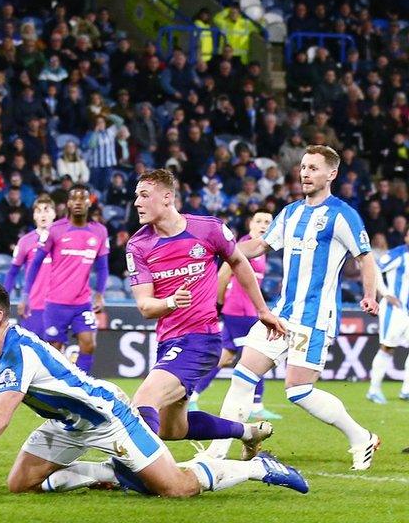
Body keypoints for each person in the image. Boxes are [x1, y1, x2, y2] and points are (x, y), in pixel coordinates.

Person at [0, 282, 308, 497]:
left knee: (176, 489)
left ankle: (258, 468)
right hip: (66, 424)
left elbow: (0, 414)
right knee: (19, 486)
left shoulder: (20, 351)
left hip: (108, 418)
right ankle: (110, 472)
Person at [207, 146, 381, 470]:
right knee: (243, 377)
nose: (305, 173)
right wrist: (222, 248)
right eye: (303, 167)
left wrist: (370, 294)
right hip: (281, 313)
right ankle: (216, 453)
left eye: (313, 168)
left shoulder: (342, 214)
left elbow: (365, 257)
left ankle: (361, 437)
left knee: (298, 390)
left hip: (314, 317)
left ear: (332, 174)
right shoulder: (290, 213)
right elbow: (259, 245)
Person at [125, 169, 282, 457]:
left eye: (144, 195)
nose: (137, 202)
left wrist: (263, 310)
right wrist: (171, 302)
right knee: (173, 429)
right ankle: (248, 432)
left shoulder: (208, 229)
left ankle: (140, 472)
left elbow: (238, 260)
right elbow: (146, 306)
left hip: (201, 339)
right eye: (136, 196)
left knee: (144, 399)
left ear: (167, 197)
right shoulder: (138, 245)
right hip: (168, 341)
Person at [189, 212, 282, 420]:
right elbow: (223, 274)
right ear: (250, 224)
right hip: (240, 311)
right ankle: (257, 405)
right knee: (258, 354)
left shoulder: (262, 249)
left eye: (268, 222)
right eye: (258, 221)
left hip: (242, 310)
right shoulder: (245, 245)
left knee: (225, 357)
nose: (263, 225)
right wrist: (218, 304)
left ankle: (191, 395)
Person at [21, 186, 107, 373]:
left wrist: (100, 294)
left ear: (88, 202)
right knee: (53, 352)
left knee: (89, 344)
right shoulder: (55, 230)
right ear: (68, 203)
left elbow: (102, 266)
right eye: (74, 199)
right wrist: (26, 294)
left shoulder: (99, 231)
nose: (77, 202)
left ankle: (80, 387)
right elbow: (35, 264)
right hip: (55, 303)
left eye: (82, 198)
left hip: (82, 302)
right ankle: (54, 392)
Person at [4, 194, 55, 338]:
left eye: (46, 210)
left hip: (57, 306)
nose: (43, 214)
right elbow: (12, 272)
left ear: (54, 213)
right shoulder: (25, 241)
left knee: (57, 355)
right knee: (30, 354)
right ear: (34, 216)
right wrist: (3, 299)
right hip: (34, 306)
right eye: (39, 211)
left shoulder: (63, 240)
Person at [366, 232, 409, 404]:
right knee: (387, 348)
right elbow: (373, 267)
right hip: (395, 310)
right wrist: (385, 293)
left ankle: (406, 390)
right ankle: (373, 390)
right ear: (405, 237)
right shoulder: (398, 254)